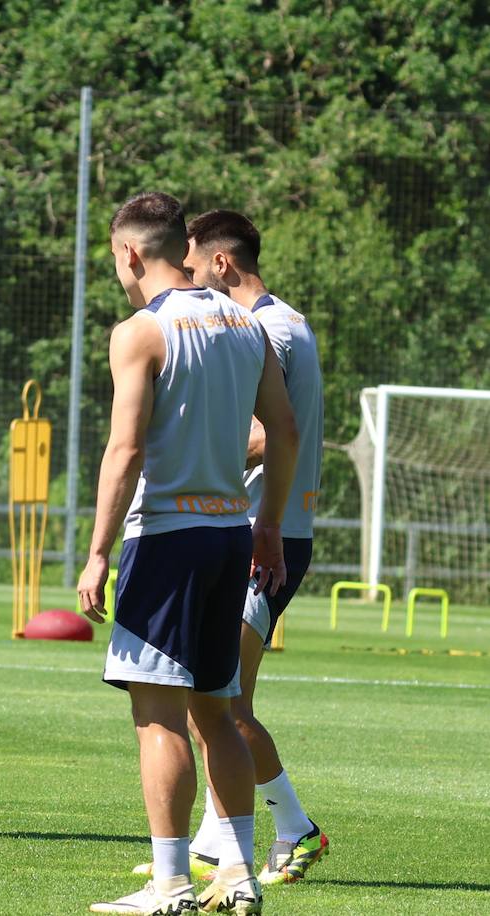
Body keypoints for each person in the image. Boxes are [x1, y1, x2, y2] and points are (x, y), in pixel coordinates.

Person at [76, 192, 298, 916]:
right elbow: (285, 431)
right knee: (217, 712)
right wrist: (268, 524)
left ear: (130, 253)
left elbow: (125, 450)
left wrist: (98, 552)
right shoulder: (246, 324)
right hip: (231, 535)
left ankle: (170, 884)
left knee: (158, 716)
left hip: (166, 540)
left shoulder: (140, 331)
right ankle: (238, 875)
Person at [176, 209, 328, 885]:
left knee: (221, 701)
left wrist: (185, 456)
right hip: (263, 530)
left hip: (268, 537)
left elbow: (270, 433)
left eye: (190, 267)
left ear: (221, 263)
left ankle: (296, 829)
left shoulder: (269, 328)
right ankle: (216, 844)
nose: (186, 281)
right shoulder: (283, 321)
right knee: (212, 696)